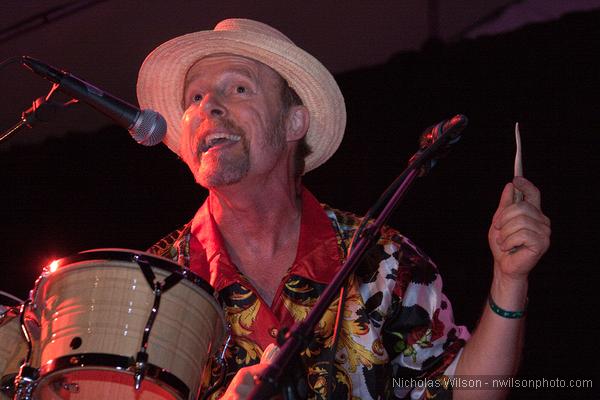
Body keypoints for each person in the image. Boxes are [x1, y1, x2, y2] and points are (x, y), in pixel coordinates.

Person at [136, 19, 550, 399]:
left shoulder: (384, 260)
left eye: (239, 88)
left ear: (294, 124)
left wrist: (509, 279)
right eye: (195, 97)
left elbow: (465, 392)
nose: (208, 105)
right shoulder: (151, 285)